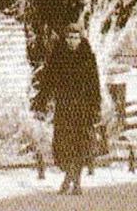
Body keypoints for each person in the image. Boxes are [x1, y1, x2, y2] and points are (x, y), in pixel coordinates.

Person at [34, 21, 101, 196]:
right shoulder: (58, 57)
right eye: (69, 38)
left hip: (83, 109)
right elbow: (48, 81)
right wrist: (41, 101)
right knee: (63, 144)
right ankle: (69, 176)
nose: (72, 41)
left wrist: (95, 108)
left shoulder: (88, 57)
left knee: (79, 145)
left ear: (81, 38)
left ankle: (74, 182)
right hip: (64, 108)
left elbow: (95, 85)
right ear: (64, 39)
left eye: (75, 38)